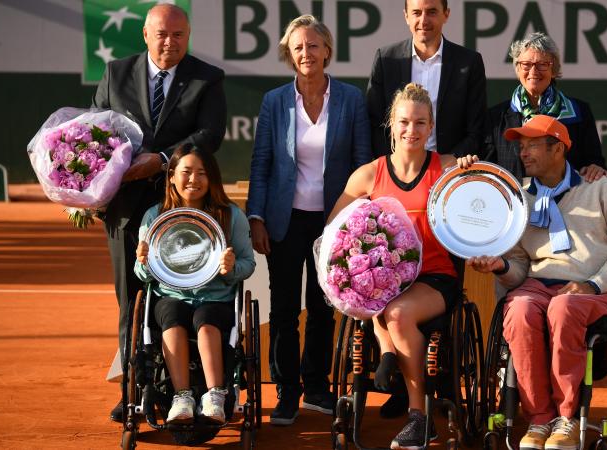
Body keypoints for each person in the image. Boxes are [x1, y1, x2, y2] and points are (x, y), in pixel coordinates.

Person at [467, 115, 607, 450]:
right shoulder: (520, 198)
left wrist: (594, 284)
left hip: (589, 286)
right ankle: (539, 420)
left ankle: (566, 418)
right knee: (518, 309)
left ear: (558, 148)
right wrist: (501, 265)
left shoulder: (602, 188)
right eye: (521, 147)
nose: (523, 153)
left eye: (532, 145)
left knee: (563, 309)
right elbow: (519, 268)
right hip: (535, 284)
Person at [92, 3, 227, 422]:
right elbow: (95, 129)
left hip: (182, 209)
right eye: (162, 34)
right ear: (146, 35)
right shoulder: (116, 74)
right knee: (130, 303)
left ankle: (185, 387)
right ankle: (134, 389)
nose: (170, 43)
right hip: (127, 210)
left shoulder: (207, 78)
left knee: (175, 296)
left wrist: (164, 159)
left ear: (188, 37)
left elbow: (210, 135)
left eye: (179, 35)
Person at [329, 83, 475, 450]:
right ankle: (389, 352)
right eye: (404, 122)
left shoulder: (445, 167)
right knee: (377, 298)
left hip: (435, 277)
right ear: (391, 124)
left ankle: (420, 418)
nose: (412, 130)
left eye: (420, 123)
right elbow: (334, 233)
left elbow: (479, 209)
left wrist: (470, 172)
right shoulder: (368, 175)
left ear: (431, 127)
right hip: (384, 280)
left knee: (394, 312)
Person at [245, 15, 372, 426]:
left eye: (313, 45)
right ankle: (286, 390)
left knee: (322, 308)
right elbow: (261, 162)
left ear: (327, 51)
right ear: (289, 54)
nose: (306, 53)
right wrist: (257, 217)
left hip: (334, 222)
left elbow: (362, 163)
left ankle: (315, 387)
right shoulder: (274, 101)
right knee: (283, 309)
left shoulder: (352, 99)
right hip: (285, 221)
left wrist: (353, 220)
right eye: (298, 47)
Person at [134, 145, 254, 424]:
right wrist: (143, 262)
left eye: (202, 173)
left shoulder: (231, 215)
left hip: (217, 298)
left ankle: (216, 396)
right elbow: (142, 275)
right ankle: (182, 397)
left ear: (211, 178)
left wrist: (231, 268)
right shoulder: (154, 217)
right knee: (172, 315)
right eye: (186, 172)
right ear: (172, 176)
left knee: (206, 316)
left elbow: (249, 264)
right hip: (171, 296)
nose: (194, 179)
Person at [366, 0, 487, 158]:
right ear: (406, 16)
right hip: (397, 172)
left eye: (431, 12)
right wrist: (395, 165)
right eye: (416, 13)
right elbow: (374, 124)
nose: (423, 20)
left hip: (449, 173)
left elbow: (477, 129)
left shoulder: (470, 63)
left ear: (446, 14)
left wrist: (448, 162)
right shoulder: (386, 59)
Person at [484, 32, 607, 182]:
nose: (533, 71)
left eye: (543, 64)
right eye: (526, 64)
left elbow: (595, 162)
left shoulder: (579, 111)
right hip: (517, 202)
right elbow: (487, 168)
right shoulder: (496, 117)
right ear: (517, 68)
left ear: (553, 70)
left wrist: (595, 167)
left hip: (568, 202)